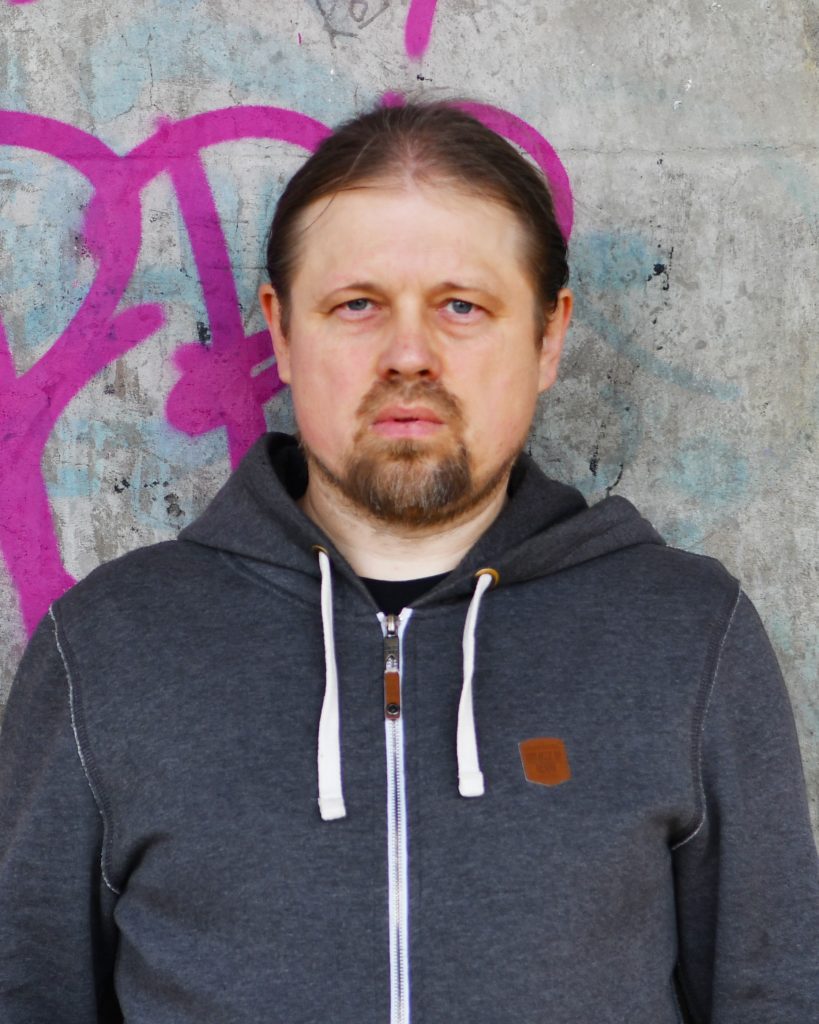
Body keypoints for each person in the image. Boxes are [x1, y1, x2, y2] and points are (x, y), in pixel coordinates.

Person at [1, 101, 817, 1024]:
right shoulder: (107, 649)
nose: (408, 355)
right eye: (357, 305)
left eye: (461, 306)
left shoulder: (684, 636)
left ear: (548, 337)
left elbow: (774, 995)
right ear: (281, 330)